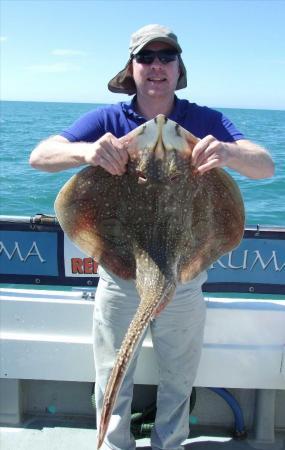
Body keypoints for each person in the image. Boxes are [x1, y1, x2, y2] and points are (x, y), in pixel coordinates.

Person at [30, 24, 274, 450]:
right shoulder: (109, 120)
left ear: (179, 69)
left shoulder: (204, 119)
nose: (156, 66)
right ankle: (111, 443)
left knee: (178, 378)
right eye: (146, 58)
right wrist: (88, 152)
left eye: (166, 57)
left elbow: (266, 166)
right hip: (123, 276)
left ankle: (170, 444)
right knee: (112, 375)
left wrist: (230, 152)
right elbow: (40, 156)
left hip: (184, 277)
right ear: (132, 68)